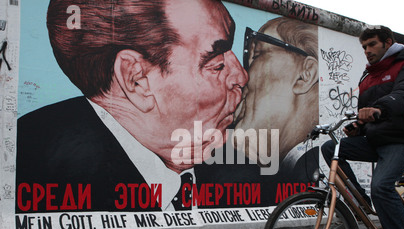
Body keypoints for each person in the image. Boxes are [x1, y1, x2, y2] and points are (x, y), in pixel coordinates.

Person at [16, 0, 248, 212]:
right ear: (136, 80)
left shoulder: (242, 167)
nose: (241, 76)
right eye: (217, 65)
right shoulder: (36, 164)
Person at [321, 25, 404, 229]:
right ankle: (363, 205)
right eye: (364, 47)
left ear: (387, 43)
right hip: (377, 141)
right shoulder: (367, 78)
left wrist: (379, 108)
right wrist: (359, 127)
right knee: (330, 148)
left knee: (382, 186)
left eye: (372, 45)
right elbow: (369, 117)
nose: (367, 51)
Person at [233, 17, 319, 184]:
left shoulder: (314, 166)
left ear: (305, 75)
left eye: (257, 55)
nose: (243, 76)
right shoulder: (304, 167)